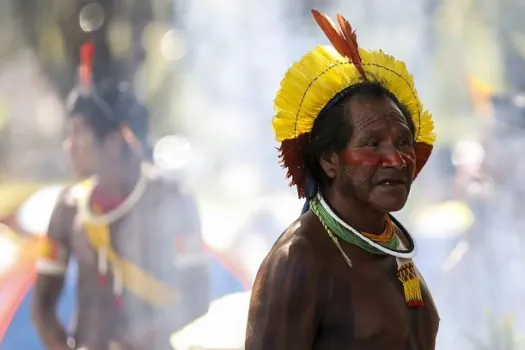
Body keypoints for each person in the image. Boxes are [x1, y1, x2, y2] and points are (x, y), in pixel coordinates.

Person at [246, 10, 439, 349]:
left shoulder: (390, 248)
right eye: (371, 143)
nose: (395, 159)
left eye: (403, 141)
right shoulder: (299, 261)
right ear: (329, 160)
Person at [32, 42, 209, 350]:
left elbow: (196, 298)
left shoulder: (171, 200)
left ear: (114, 141)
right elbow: (42, 306)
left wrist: (136, 342)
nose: (69, 146)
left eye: (79, 134)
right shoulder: (68, 208)